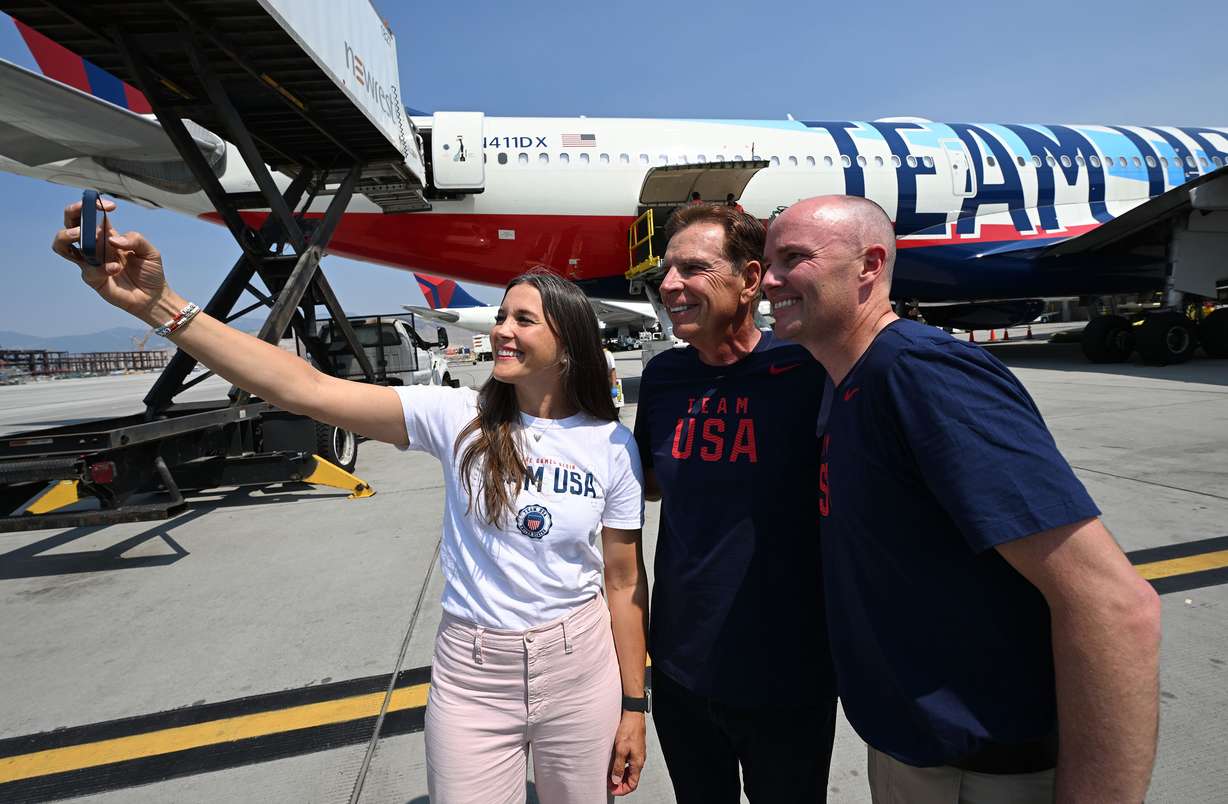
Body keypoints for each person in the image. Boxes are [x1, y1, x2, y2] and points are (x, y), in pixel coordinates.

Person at [53, 199, 650, 804]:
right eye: (501, 316)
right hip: (475, 673)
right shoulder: (457, 417)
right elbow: (304, 388)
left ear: (568, 343)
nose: (500, 329)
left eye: (523, 320)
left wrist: (633, 704)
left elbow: (624, 584)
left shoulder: (611, 445)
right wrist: (160, 304)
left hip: (580, 668)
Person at [762, 195, 1162, 804]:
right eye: (768, 261)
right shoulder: (845, 379)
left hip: (978, 773)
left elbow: (1113, 604)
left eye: (794, 258)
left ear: (870, 265)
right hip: (910, 751)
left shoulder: (922, 374)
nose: (768, 280)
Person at [632, 203, 837, 803]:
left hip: (787, 671)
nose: (669, 285)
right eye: (666, 271)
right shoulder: (666, 378)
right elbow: (646, 483)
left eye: (692, 269)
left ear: (750, 280)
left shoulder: (807, 368)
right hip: (681, 668)